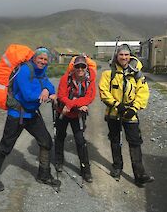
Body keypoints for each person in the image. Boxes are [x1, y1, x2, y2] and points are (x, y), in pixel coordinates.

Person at [0, 47, 61, 191]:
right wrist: (45, 94)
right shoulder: (24, 71)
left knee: (46, 142)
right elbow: (27, 96)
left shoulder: (42, 71)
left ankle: (43, 175)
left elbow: (49, 84)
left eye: (45, 60)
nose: (43, 62)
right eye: (40, 58)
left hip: (32, 114)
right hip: (17, 115)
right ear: (34, 57)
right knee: (5, 147)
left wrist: (47, 90)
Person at [99, 44, 154, 186]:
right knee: (115, 140)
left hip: (131, 114)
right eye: (121, 55)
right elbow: (104, 92)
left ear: (130, 56)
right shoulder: (108, 73)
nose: (124, 57)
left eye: (126, 55)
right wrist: (117, 105)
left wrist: (134, 108)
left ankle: (140, 175)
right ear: (116, 56)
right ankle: (117, 167)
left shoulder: (137, 74)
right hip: (113, 113)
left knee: (135, 143)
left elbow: (143, 92)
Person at [54, 55, 96, 183]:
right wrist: (78, 103)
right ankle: (59, 161)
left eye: (83, 66)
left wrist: (71, 104)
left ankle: (86, 170)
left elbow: (90, 98)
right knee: (60, 136)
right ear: (73, 67)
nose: (80, 68)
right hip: (62, 112)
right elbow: (61, 95)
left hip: (75, 114)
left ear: (86, 67)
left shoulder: (90, 81)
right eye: (77, 66)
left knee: (80, 141)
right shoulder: (65, 79)